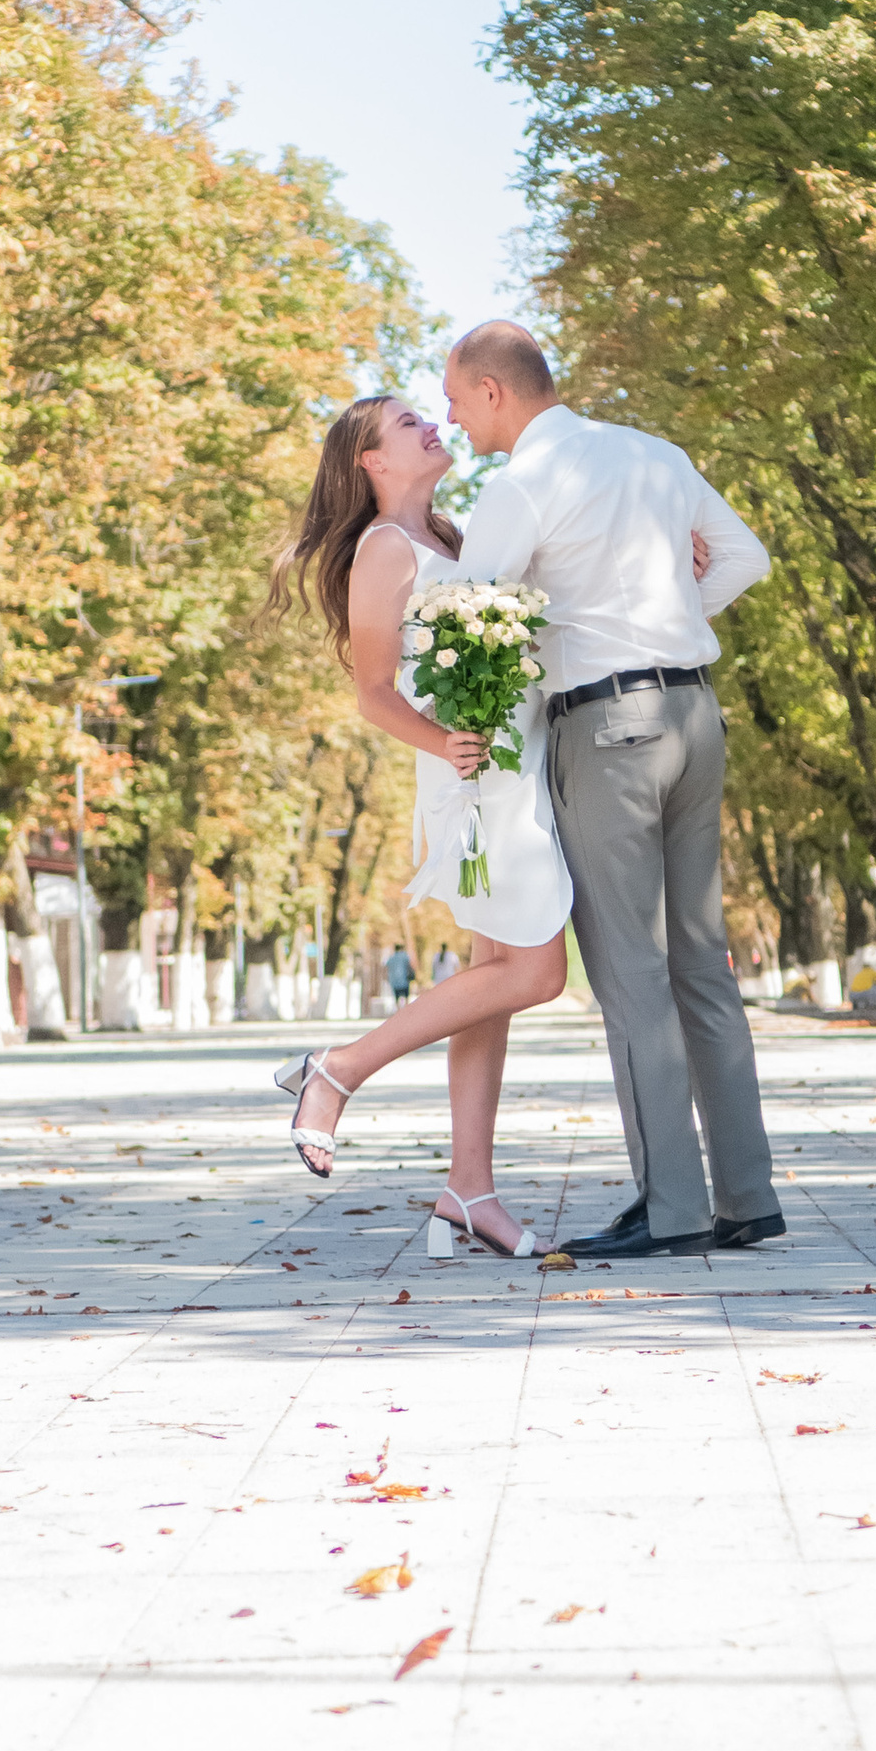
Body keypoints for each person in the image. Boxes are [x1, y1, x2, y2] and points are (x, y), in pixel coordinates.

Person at [447, 321, 784, 1259]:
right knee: (701, 962)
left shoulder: (522, 484)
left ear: (493, 391)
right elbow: (746, 557)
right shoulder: (655, 454)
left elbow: (469, 620)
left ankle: (670, 1208)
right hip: (695, 715)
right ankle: (747, 1197)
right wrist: (666, 622)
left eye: (456, 400)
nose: (454, 419)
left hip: (607, 730)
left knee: (632, 971)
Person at [265, 393, 573, 1257]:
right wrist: (446, 743)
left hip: (506, 766)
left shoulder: (450, 537)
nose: (430, 424)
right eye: (406, 423)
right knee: (537, 970)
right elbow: (372, 693)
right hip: (472, 778)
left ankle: (469, 1189)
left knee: (492, 979)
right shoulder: (384, 549)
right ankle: (340, 1067)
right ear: (370, 461)